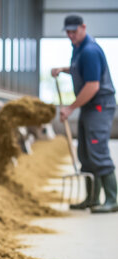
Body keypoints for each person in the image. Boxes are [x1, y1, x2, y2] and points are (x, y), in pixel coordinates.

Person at [51, 15, 118, 213]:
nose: (71, 35)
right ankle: (92, 198)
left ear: (83, 27)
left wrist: (70, 108)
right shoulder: (79, 48)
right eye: (68, 32)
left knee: (97, 150)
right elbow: (81, 71)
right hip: (89, 107)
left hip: (99, 106)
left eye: (74, 31)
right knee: (85, 153)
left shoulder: (89, 50)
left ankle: (112, 199)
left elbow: (92, 85)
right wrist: (64, 69)